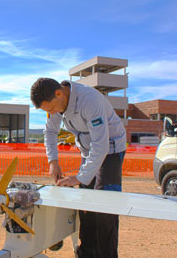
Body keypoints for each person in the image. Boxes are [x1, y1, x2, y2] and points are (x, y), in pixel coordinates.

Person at [30, 78, 126, 258]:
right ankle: (86, 253)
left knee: (105, 208)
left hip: (111, 149)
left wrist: (79, 178)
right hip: (89, 150)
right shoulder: (57, 103)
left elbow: (101, 145)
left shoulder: (89, 100)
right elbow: (50, 132)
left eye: (51, 109)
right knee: (86, 206)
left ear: (59, 93)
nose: (52, 113)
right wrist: (53, 161)